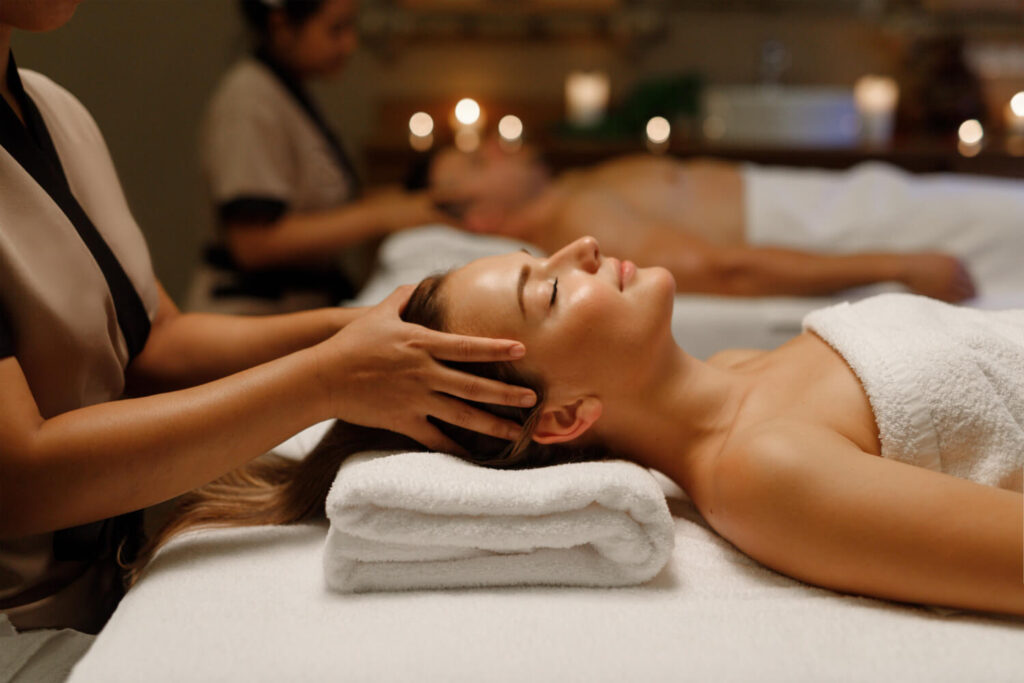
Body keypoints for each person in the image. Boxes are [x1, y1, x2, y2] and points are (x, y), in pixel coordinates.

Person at [0, 0, 536, 634]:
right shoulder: (248, 100)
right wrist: (330, 379)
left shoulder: (55, 112)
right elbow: (18, 479)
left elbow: (154, 341)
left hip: (104, 587)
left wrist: (357, 329)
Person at [138, 236, 1024, 617]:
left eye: (544, 259)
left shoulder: (737, 378)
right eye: (552, 289)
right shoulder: (763, 472)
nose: (583, 252)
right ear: (563, 417)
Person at [413, 141, 990, 302]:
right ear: (485, 218)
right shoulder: (582, 220)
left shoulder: (578, 189)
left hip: (829, 204)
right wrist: (901, 263)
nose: (492, 147)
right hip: (828, 226)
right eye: (474, 164)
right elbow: (724, 269)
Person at [189, 0, 446, 314]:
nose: (350, 44)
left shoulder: (286, 92)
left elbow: (327, 203)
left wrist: (401, 203)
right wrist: (379, 216)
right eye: (336, 29)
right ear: (282, 27)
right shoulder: (249, 101)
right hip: (252, 314)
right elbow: (253, 244)